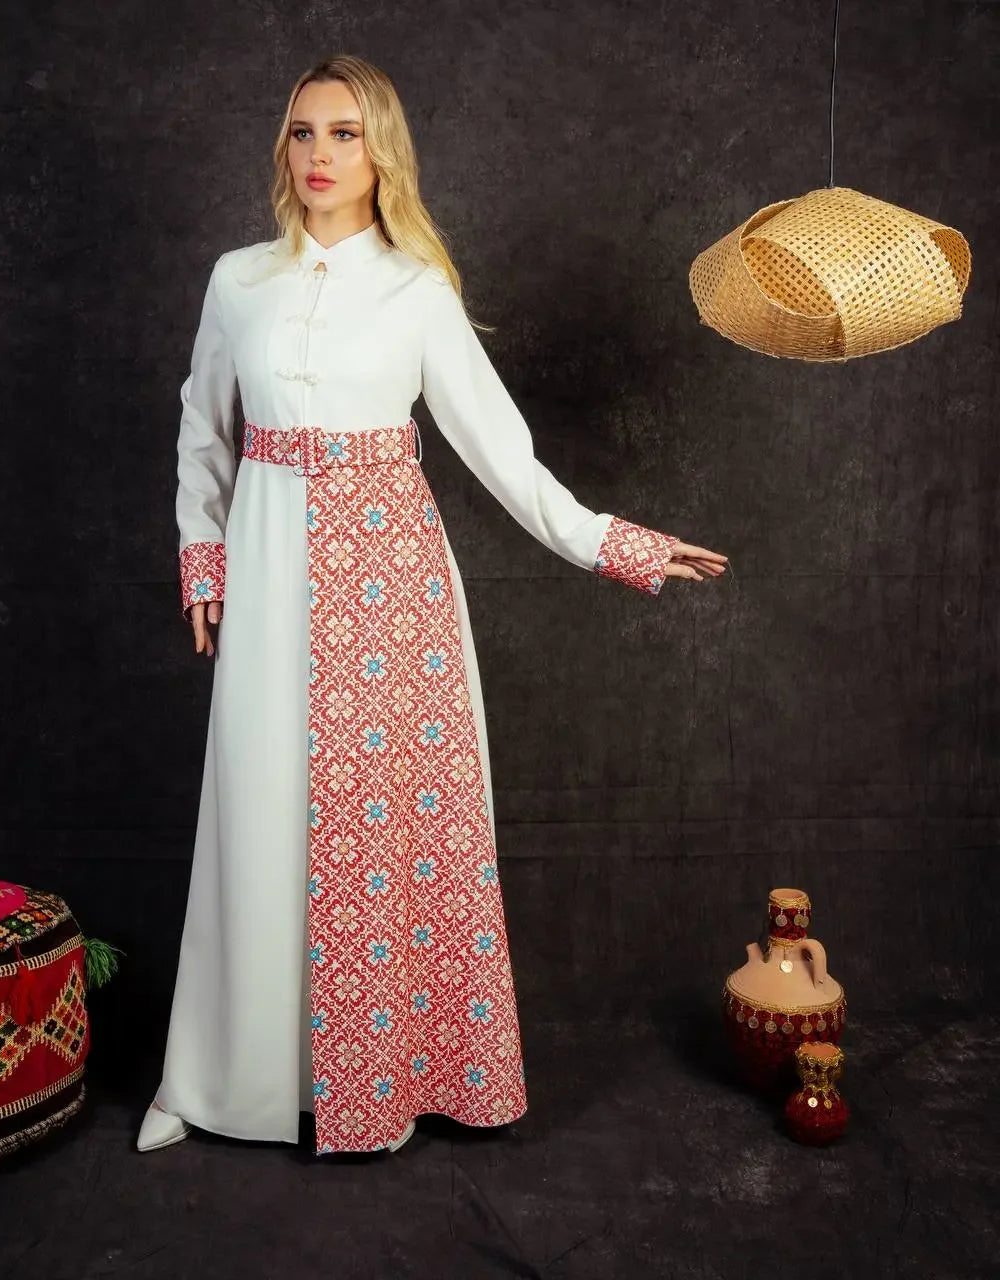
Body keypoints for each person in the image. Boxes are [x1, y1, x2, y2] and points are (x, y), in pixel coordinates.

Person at [137, 55, 727, 1157]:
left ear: (381, 152)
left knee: (392, 836)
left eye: (345, 135)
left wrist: (614, 543)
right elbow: (201, 432)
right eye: (302, 133)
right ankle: (213, 1074)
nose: (318, 155)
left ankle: (398, 1075)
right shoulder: (236, 282)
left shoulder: (415, 291)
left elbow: (504, 456)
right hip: (268, 580)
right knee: (256, 817)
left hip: (392, 599)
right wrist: (201, 556)